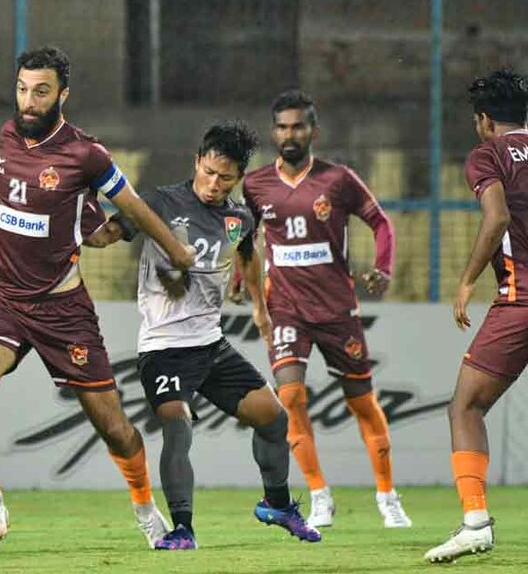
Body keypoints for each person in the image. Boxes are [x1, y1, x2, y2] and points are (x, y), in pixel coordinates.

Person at [0, 45, 196, 548]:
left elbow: (132, 206)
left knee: (114, 428)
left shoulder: (86, 154)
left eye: (41, 92)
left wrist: (176, 250)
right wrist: (88, 228)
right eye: (22, 89)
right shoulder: (7, 135)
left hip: (63, 311)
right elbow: (49, 212)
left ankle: (144, 506)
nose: (29, 101)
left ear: (63, 94)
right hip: (4, 301)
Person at [105, 122, 320, 550]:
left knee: (274, 419)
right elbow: (110, 232)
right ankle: (183, 529)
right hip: (163, 348)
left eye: (225, 178)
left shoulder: (239, 216)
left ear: (238, 177)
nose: (213, 184)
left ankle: (277, 504)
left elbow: (248, 254)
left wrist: (259, 306)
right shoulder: (161, 202)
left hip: (210, 345)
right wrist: (79, 231)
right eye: (208, 172)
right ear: (196, 162)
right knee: (178, 427)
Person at [240, 89, 410, 528]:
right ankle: (318, 495)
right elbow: (246, 240)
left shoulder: (338, 179)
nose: (289, 134)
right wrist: (244, 282)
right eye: (282, 127)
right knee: (290, 397)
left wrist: (383, 268)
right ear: (273, 132)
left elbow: (381, 223)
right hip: (286, 310)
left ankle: (387, 495)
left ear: (313, 131)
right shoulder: (255, 185)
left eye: (297, 126)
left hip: (337, 311)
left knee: (363, 403)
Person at [425, 69, 528, 563]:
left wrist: (467, 280)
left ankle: (475, 524)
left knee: (465, 407)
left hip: (521, 300)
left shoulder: (488, 155)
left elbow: (498, 217)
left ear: (485, 120)